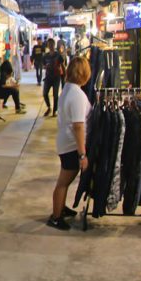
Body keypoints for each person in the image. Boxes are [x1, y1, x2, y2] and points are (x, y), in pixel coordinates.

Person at [47, 56, 92, 230]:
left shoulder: (68, 88)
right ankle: (56, 217)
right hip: (71, 146)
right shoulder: (77, 95)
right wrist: (82, 154)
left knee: (64, 182)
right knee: (63, 182)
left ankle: (61, 208)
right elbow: (78, 126)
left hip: (65, 142)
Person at [42, 38, 63, 116]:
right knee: (45, 93)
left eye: (52, 44)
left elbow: (62, 64)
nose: (50, 46)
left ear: (54, 45)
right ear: (47, 45)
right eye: (49, 44)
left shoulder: (58, 55)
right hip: (48, 77)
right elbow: (43, 65)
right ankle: (49, 107)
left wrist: (63, 75)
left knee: (55, 94)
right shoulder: (45, 56)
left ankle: (55, 110)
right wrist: (46, 66)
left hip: (56, 77)